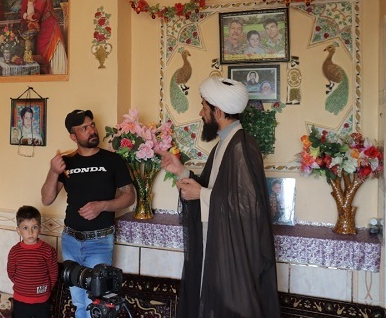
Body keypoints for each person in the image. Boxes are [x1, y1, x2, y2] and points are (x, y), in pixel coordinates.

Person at [159, 77, 280, 317]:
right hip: (217, 243)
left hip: (234, 255)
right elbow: (212, 188)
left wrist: (201, 194)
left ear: (219, 111)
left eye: (204, 107)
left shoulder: (242, 147)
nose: (201, 113)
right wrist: (181, 171)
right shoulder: (224, 144)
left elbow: (247, 206)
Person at [41, 109, 135, 318]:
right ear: (73, 136)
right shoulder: (67, 162)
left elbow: (130, 196)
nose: (92, 130)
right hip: (70, 241)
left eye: (92, 125)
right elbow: (46, 199)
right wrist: (53, 171)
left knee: (97, 304)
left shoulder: (113, 160)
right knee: (79, 304)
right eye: (84, 128)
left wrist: (102, 206)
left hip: (99, 242)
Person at [7, 205, 58, 318]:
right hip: (20, 300)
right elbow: (11, 273)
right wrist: (23, 286)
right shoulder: (15, 251)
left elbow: (53, 273)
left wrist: (46, 289)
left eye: (34, 227)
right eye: (25, 228)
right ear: (18, 230)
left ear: (40, 228)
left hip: (42, 300)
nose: (30, 232)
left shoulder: (48, 250)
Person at [20, 0, 68, 75]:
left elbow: (37, 15)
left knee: (50, 59)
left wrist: (30, 1)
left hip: (50, 26)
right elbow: (22, 11)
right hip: (39, 27)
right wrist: (26, 16)